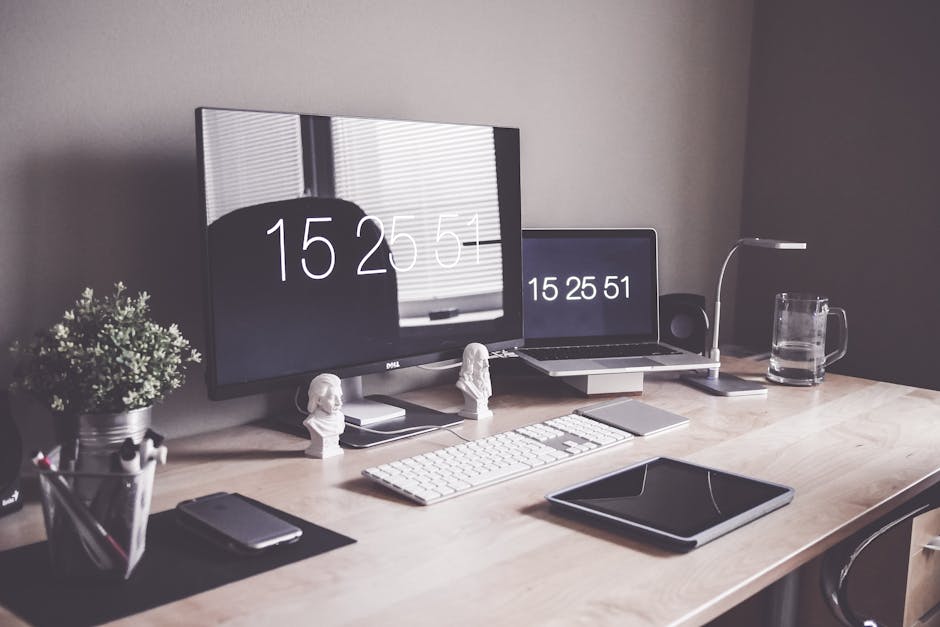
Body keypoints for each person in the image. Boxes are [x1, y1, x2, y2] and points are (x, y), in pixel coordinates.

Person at [303, 373, 345, 458]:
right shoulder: (312, 422)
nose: (339, 403)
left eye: (340, 397)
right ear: (319, 400)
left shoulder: (340, 417)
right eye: (333, 398)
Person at [456, 343, 493, 420]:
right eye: (481, 360)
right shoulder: (463, 384)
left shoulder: (486, 383)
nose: (487, 365)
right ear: (470, 363)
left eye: (487, 360)